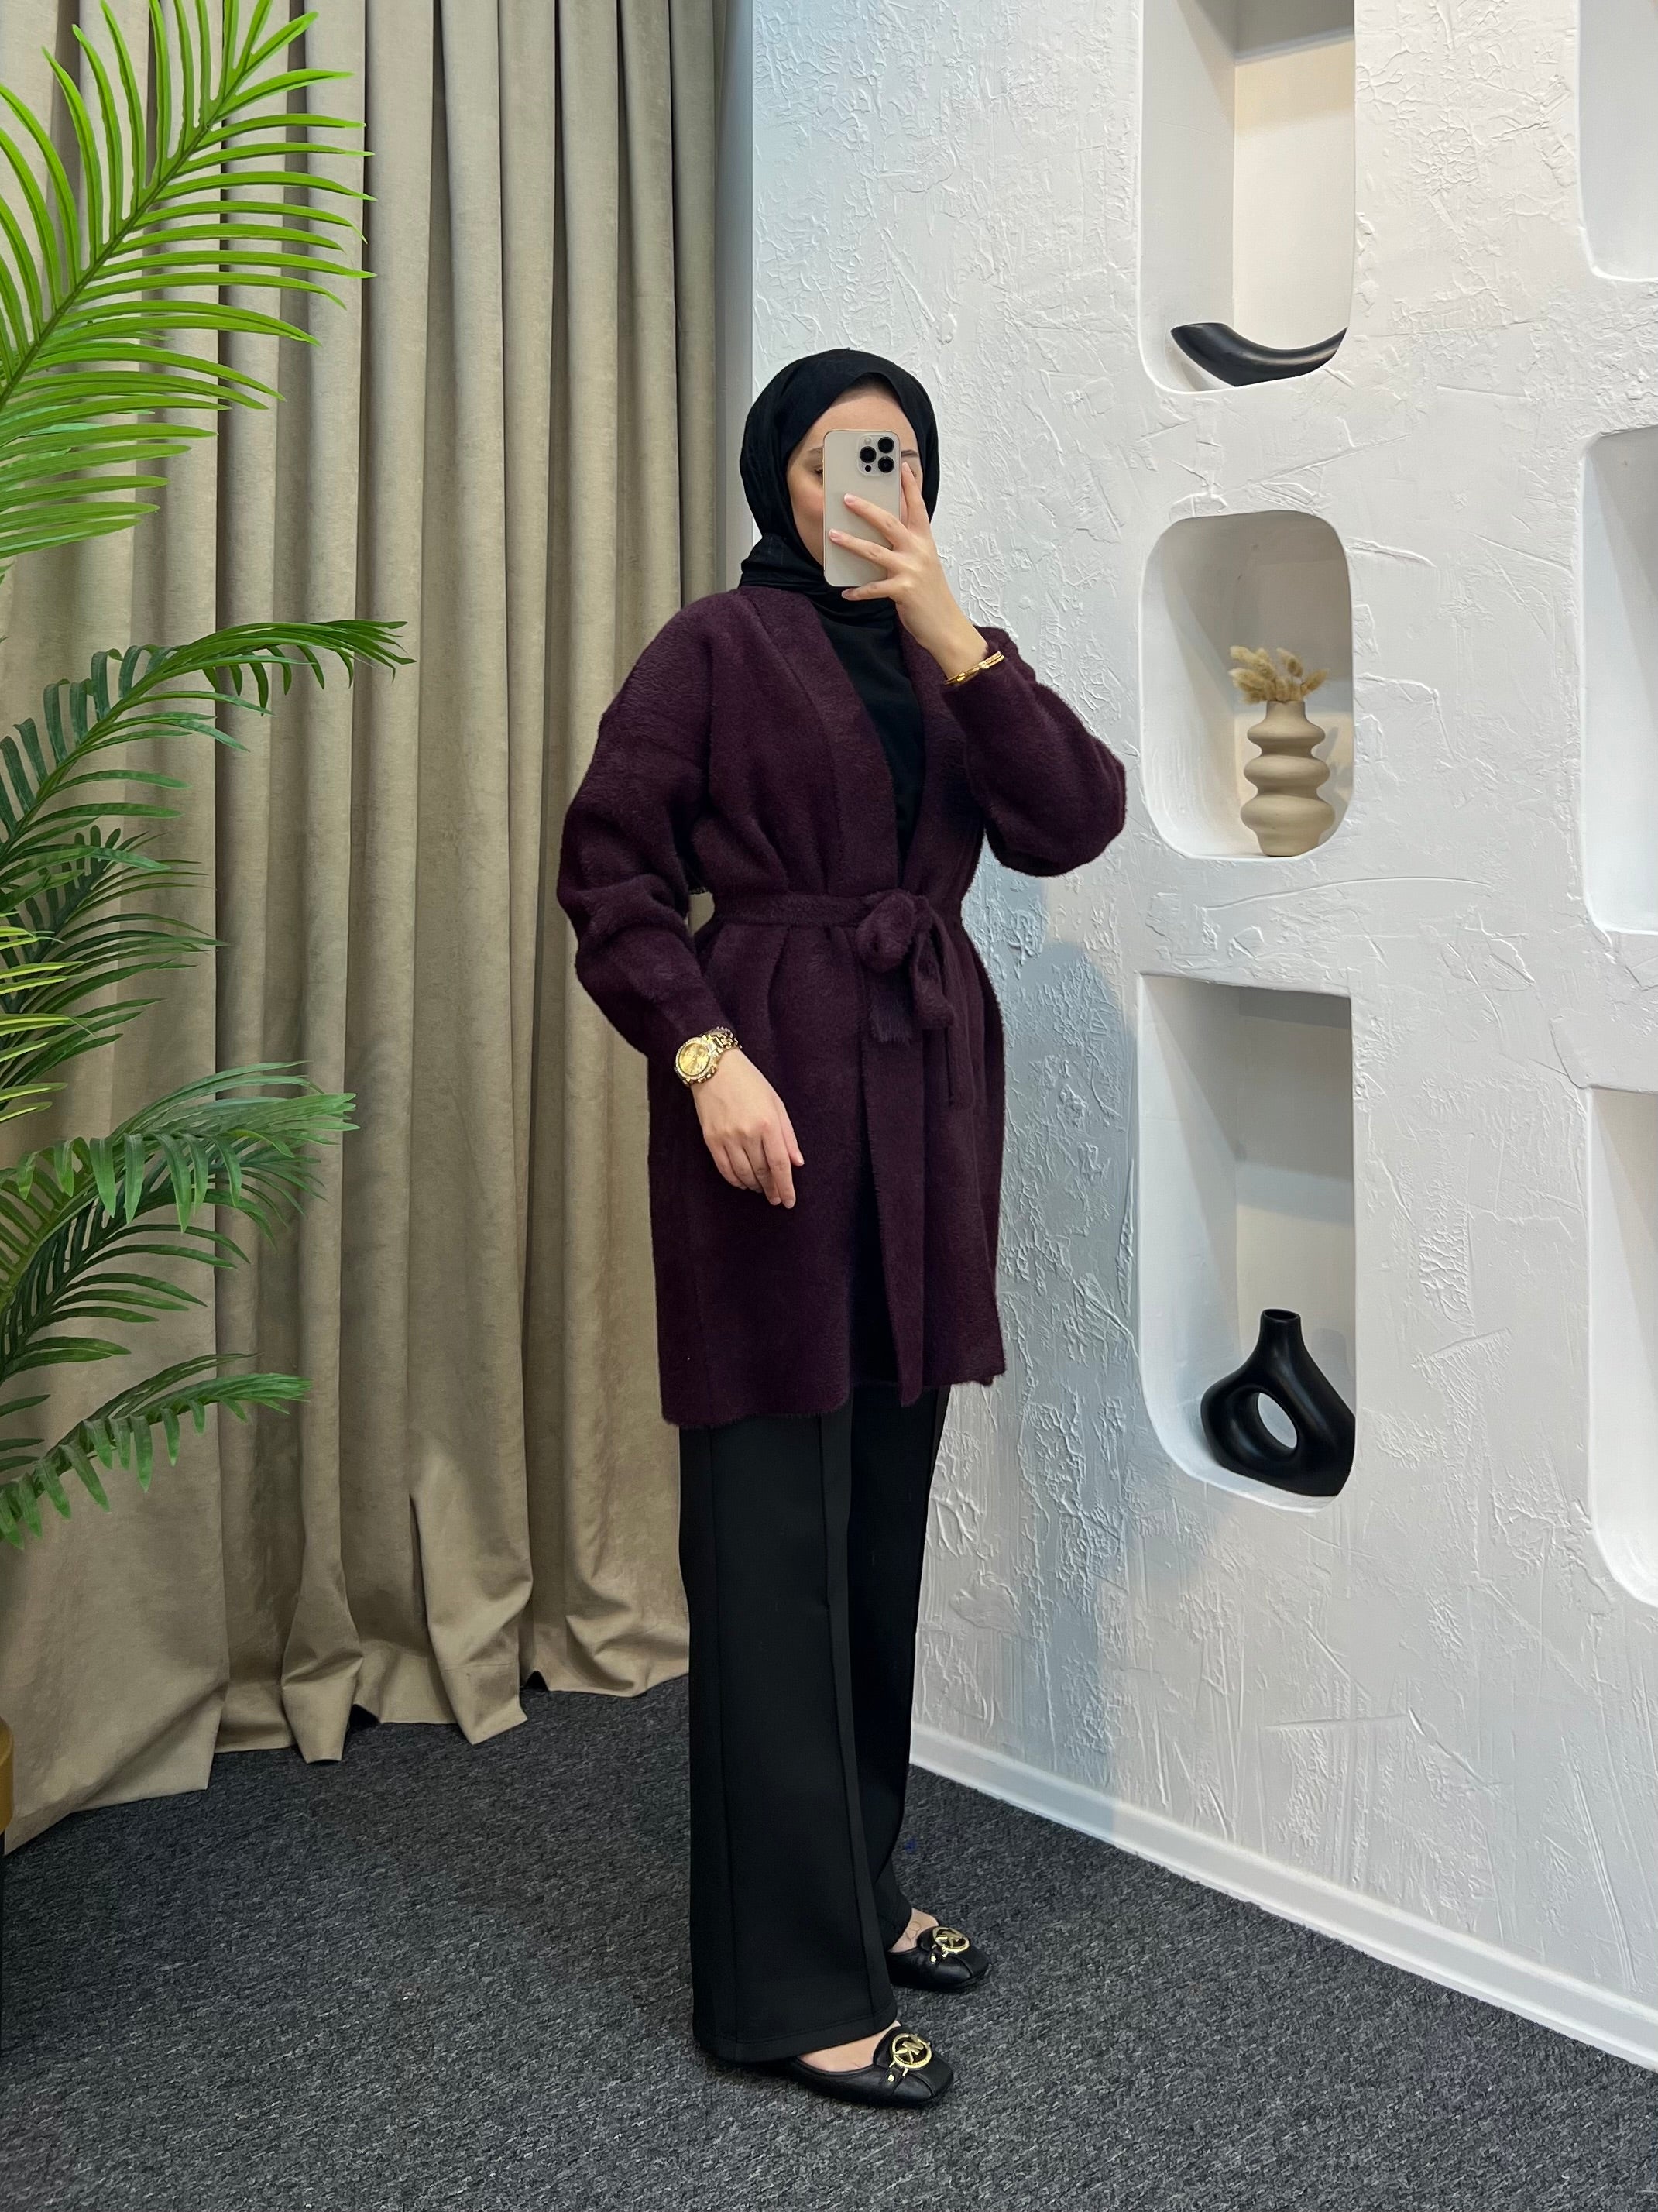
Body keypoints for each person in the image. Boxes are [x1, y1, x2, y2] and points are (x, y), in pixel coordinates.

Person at [556, 348, 1126, 2108]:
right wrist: (703, 1055)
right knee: (773, 1542)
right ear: (775, 482)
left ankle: (857, 1893)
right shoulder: (712, 648)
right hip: (769, 1110)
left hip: (924, 1117)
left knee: (877, 1532)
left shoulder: (957, 655)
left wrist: (953, 627)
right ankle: (786, 1990)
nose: (869, 486)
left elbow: (1074, 821)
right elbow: (607, 870)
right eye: (831, 459)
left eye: (895, 456)